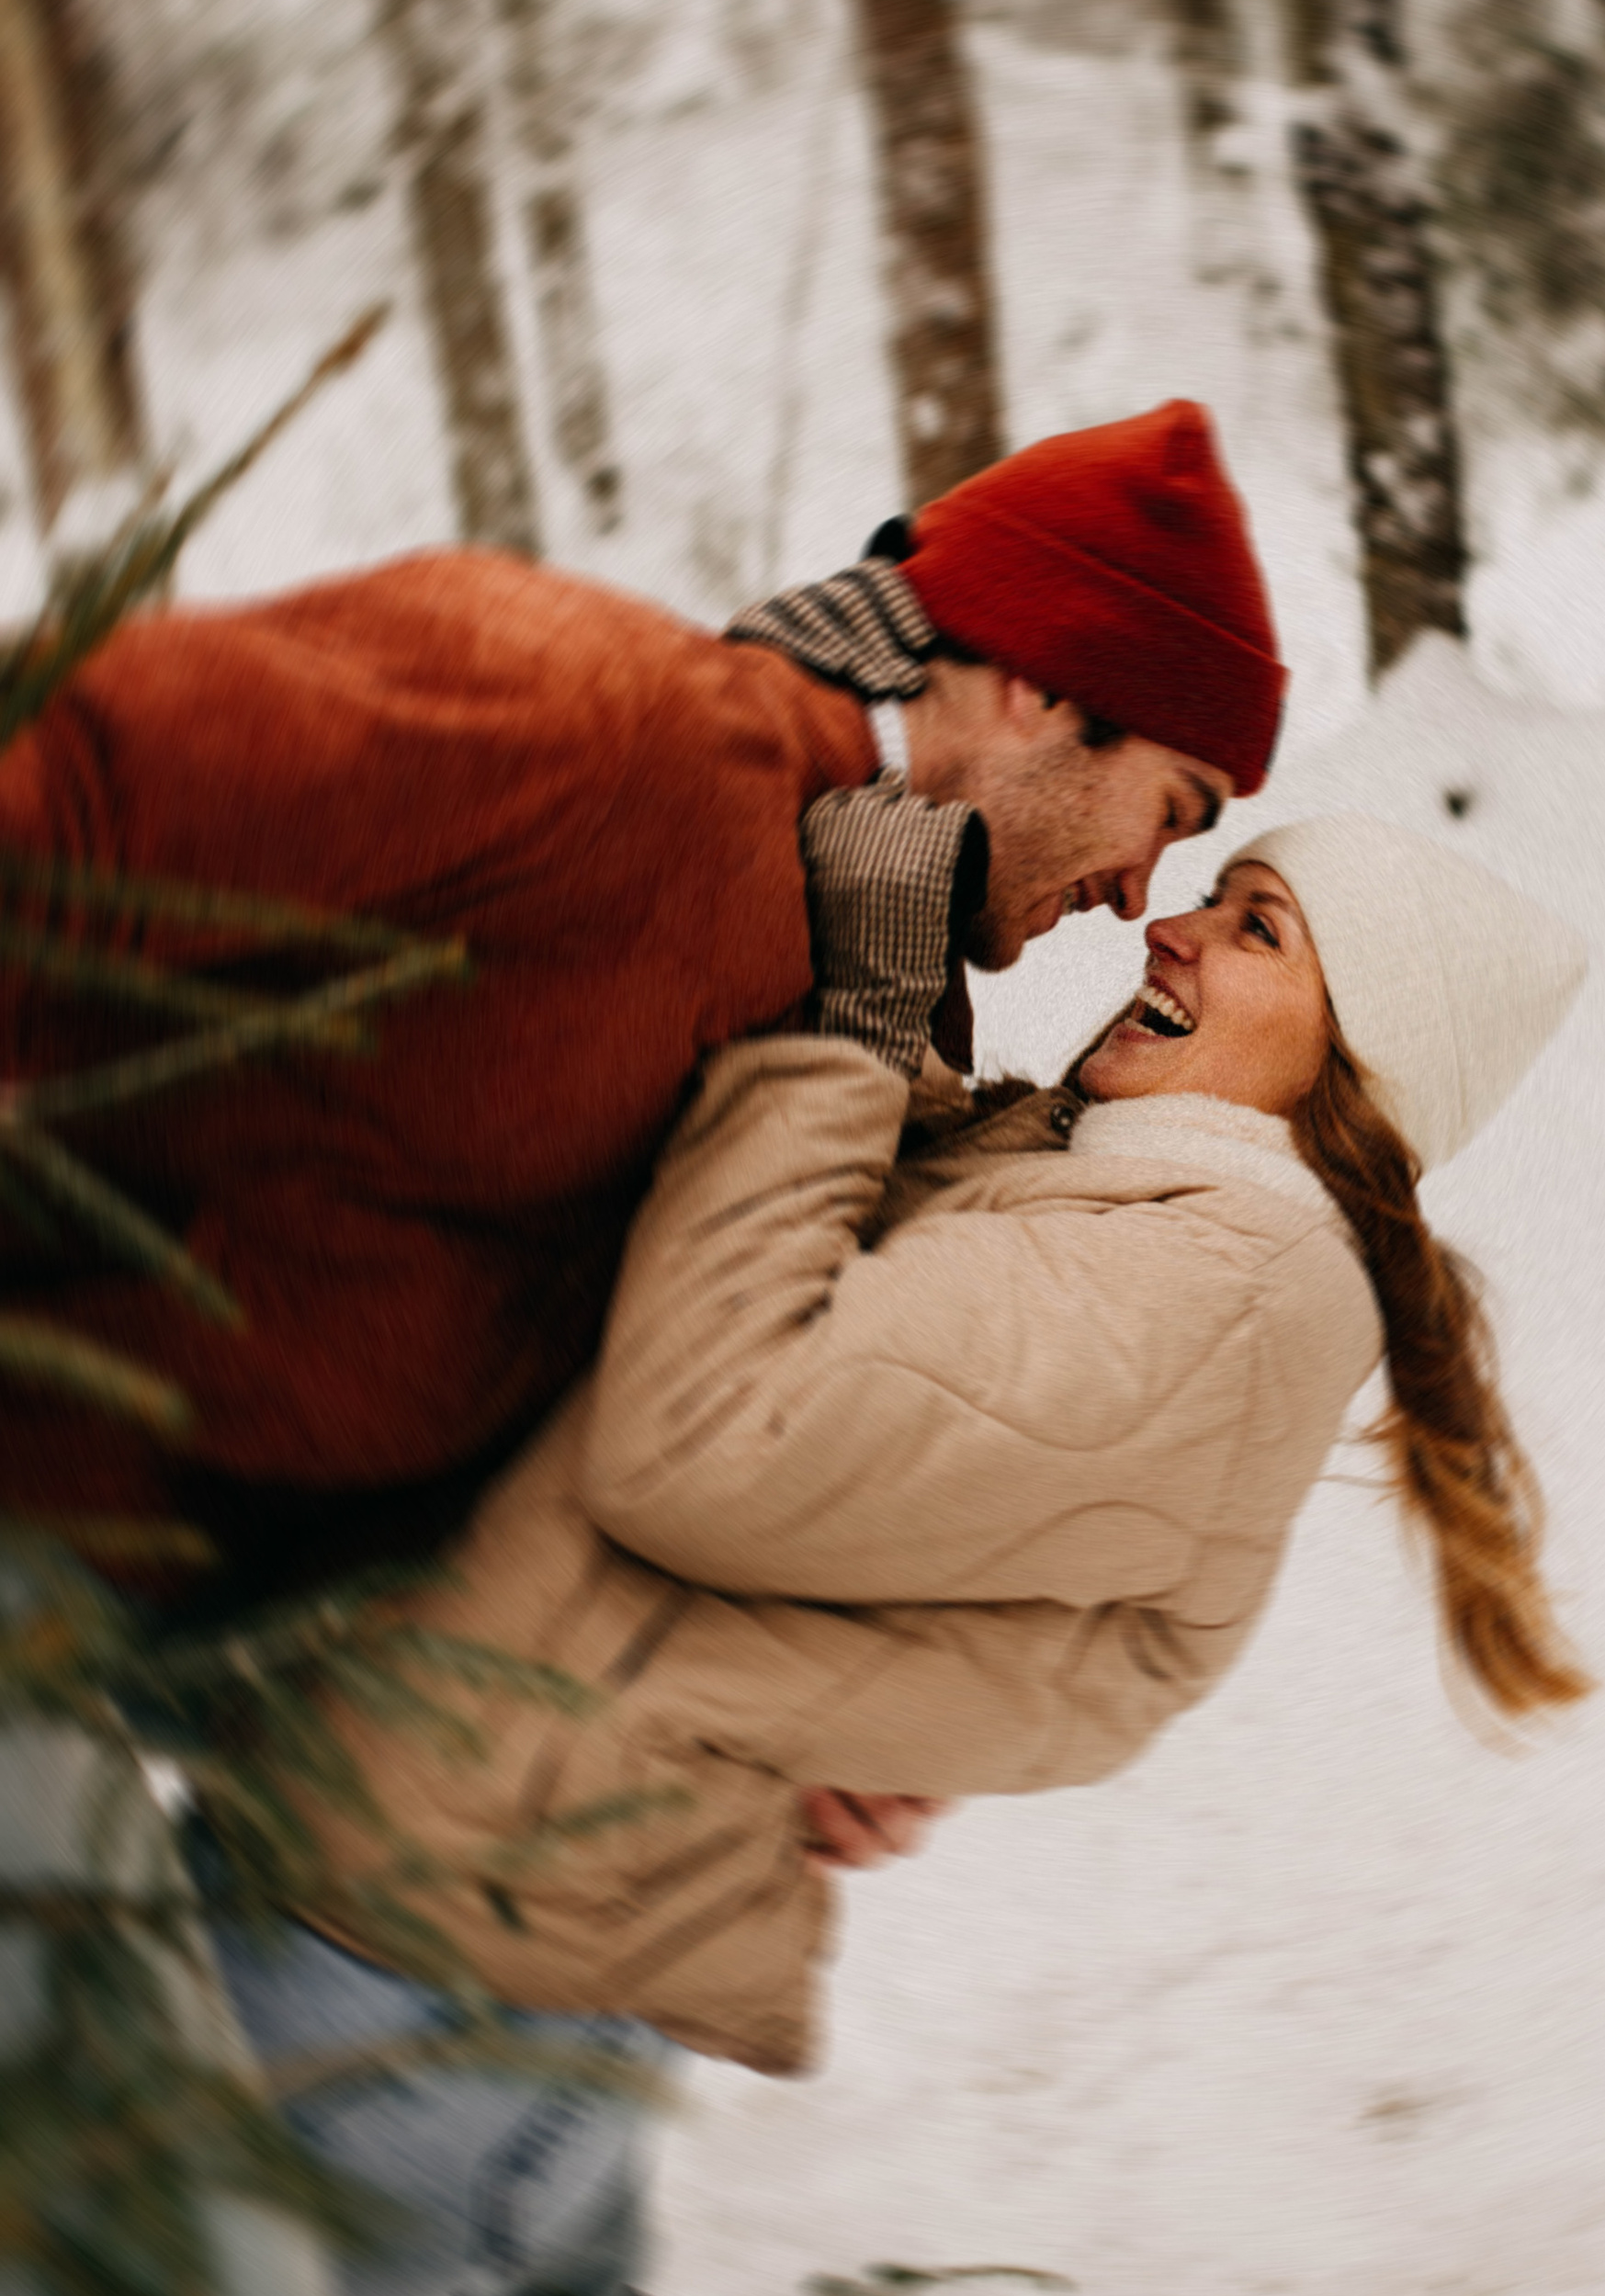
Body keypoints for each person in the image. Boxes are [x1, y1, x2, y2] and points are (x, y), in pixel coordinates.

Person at [193, 784, 1594, 2296]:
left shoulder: (1212, 1279)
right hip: (527, 1821)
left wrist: (852, 1026)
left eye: (1255, 930)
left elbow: (710, 1428)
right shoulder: (1137, 1196)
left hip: (448, 1899)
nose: (1171, 928)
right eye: (1212, 897)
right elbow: (915, 1366)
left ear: (1354, 1065)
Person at [0, 397, 1283, 1570]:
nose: (1137, 893)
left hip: (255, 1643)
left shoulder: (884, 991)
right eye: (1171, 812)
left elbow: (805, 1408)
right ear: (1044, 681)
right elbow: (68, 783)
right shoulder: (606, 716)